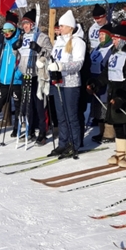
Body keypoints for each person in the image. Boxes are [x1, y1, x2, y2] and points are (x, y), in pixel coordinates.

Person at [87, 21, 126, 166]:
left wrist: (122, 96)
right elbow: (106, 74)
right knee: (117, 125)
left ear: (124, 39)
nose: (114, 41)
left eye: (116, 39)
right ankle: (120, 152)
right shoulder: (114, 53)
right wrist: (96, 84)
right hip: (113, 92)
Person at [47, 10, 86, 159]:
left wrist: (61, 66)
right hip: (58, 82)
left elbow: (78, 64)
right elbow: (53, 58)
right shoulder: (59, 41)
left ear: (70, 26)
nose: (60, 28)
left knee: (71, 115)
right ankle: (63, 143)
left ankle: (74, 144)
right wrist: (45, 62)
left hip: (71, 83)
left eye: (62, 25)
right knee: (61, 115)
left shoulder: (77, 41)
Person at [17, 8, 53, 145]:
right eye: (23, 23)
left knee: (39, 105)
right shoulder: (23, 37)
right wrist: (16, 48)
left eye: (27, 23)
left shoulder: (41, 36)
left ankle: (43, 132)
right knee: (28, 105)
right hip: (26, 74)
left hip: (38, 75)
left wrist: (39, 49)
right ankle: (30, 130)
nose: (25, 26)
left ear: (33, 24)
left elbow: (50, 53)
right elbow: (19, 56)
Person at [0, 12, 23, 137]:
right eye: (5, 30)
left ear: (15, 28)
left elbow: (21, 61)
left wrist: (17, 74)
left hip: (16, 80)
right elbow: (0, 60)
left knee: (18, 106)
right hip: (3, 80)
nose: (6, 32)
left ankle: (16, 128)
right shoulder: (4, 42)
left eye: (9, 30)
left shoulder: (19, 40)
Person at [88, 23, 115, 143]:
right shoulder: (97, 47)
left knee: (105, 107)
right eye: (100, 34)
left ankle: (109, 133)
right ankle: (101, 131)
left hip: (105, 82)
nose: (101, 37)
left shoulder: (111, 48)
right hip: (95, 81)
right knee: (97, 108)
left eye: (103, 34)